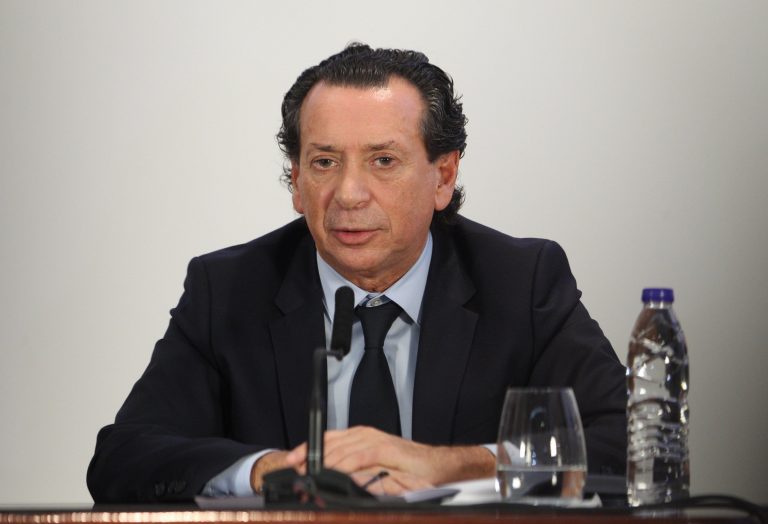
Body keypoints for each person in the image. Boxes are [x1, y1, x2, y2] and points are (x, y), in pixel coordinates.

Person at [87, 43, 627, 503]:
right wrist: (268, 471)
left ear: (443, 176)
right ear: (296, 183)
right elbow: (124, 455)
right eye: (324, 162)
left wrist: (456, 465)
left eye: (382, 161)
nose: (348, 194)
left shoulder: (521, 283)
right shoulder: (228, 291)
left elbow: (630, 443)